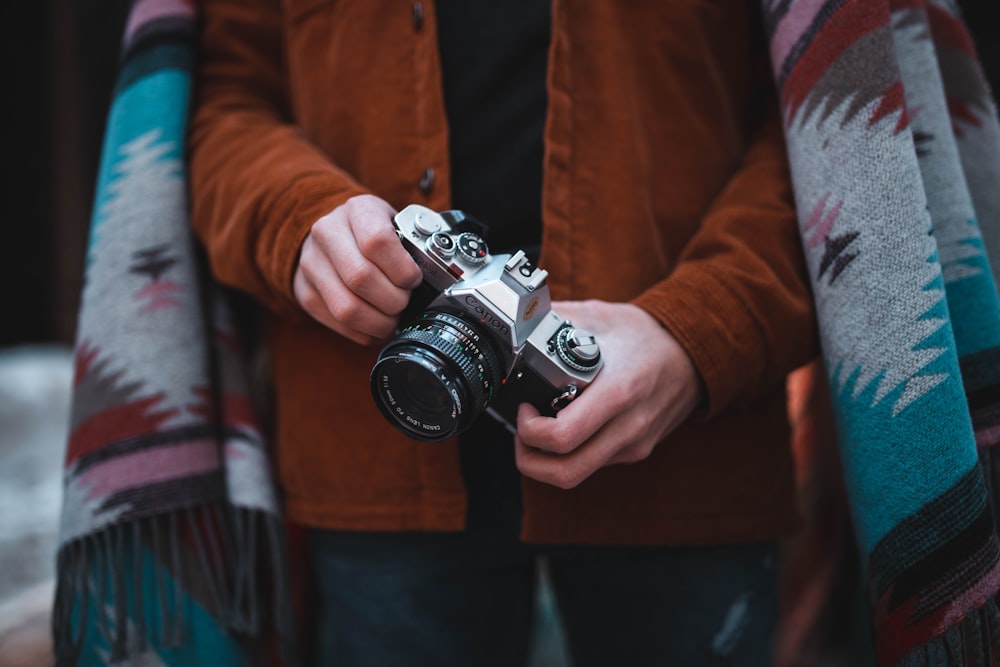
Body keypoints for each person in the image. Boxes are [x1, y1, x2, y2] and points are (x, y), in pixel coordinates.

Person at [188, 1, 818, 665]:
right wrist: (297, 218)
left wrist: (697, 332)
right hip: (373, 446)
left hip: (686, 453)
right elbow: (224, 98)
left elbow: (845, 117)